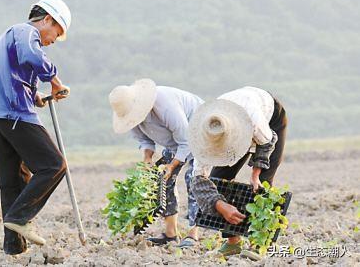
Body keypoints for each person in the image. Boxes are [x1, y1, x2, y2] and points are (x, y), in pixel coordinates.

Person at [0, 0, 72, 255]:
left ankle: (14, 249)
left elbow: (18, 73)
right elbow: (32, 55)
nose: (54, 40)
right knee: (54, 165)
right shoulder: (25, 32)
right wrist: (54, 80)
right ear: (47, 20)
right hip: (16, 114)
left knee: (13, 182)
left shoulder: (8, 38)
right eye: (57, 32)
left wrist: (39, 97)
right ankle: (21, 217)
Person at [188, 86, 287, 257]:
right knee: (218, 179)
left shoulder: (254, 121)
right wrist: (220, 205)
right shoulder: (203, 136)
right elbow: (197, 179)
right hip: (228, 122)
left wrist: (255, 174)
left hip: (270, 119)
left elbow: (267, 142)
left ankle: (260, 243)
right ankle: (232, 243)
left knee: (263, 183)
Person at [108, 78, 203, 246]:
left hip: (197, 132)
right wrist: (147, 159)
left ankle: (193, 233)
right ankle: (170, 234)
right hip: (174, 142)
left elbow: (186, 141)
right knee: (162, 180)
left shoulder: (166, 106)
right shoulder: (132, 119)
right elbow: (145, 141)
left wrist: (172, 165)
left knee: (194, 179)